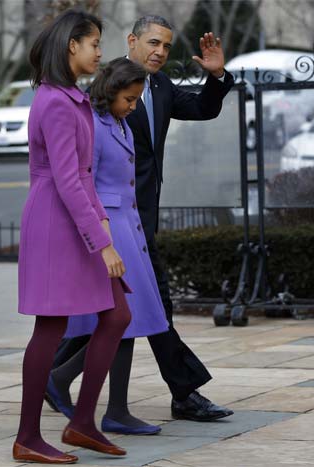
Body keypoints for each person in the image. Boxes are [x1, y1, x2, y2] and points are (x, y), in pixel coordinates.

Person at [50, 15, 235, 423]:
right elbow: (82, 171)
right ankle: (177, 393)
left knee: (125, 311)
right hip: (112, 223)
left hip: (140, 219)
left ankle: (59, 377)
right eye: (153, 43)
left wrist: (218, 75)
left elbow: (204, 107)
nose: (160, 52)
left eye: (167, 47)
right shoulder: (107, 87)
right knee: (140, 309)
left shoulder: (162, 86)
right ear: (132, 41)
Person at [13, 10, 132, 465]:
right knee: (51, 326)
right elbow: (66, 180)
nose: (100, 52)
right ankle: (27, 436)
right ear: (71, 47)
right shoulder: (57, 102)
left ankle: (82, 423)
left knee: (117, 314)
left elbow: (83, 178)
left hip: (72, 218)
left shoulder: (70, 98)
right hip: (52, 222)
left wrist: (102, 225)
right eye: (94, 43)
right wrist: (101, 241)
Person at [48, 58, 170, 436]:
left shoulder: (116, 122)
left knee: (127, 320)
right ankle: (104, 403)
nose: (133, 107)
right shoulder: (93, 126)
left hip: (126, 227)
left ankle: (75, 385)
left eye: (136, 100)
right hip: (109, 229)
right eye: (129, 99)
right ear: (110, 92)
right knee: (123, 319)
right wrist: (100, 240)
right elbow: (84, 184)